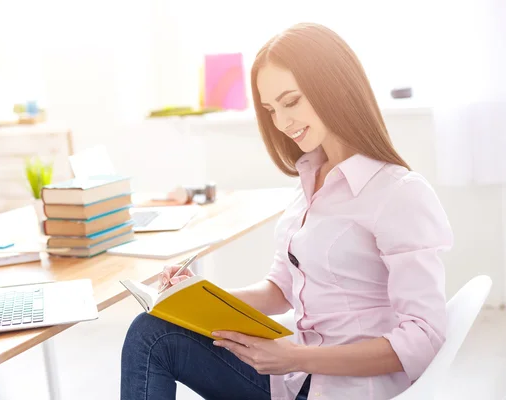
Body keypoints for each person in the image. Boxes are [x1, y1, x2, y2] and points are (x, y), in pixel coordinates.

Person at [120, 22, 453, 400]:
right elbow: (281, 289)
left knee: (152, 335)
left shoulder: (398, 194)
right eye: (270, 109)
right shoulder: (311, 179)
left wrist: (298, 356)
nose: (281, 122)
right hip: (294, 380)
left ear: (334, 85)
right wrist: (195, 297)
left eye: (290, 101)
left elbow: (424, 338)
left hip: (349, 389)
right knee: (151, 330)